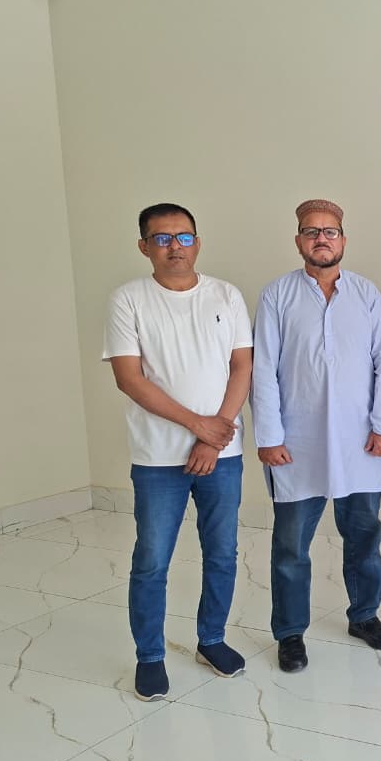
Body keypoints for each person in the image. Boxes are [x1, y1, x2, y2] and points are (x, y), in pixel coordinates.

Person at [103, 202, 253, 701]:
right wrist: (198, 427)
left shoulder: (225, 295)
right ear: (144, 246)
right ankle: (150, 656)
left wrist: (215, 435)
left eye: (184, 237)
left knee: (223, 552)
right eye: (162, 238)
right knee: (151, 560)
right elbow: (129, 378)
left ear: (197, 242)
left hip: (222, 455)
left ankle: (212, 639)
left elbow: (241, 367)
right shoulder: (128, 299)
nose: (175, 247)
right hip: (157, 458)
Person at [251, 199, 381, 673]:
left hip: (361, 442)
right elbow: (263, 369)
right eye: (311, 231)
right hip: (297, 444)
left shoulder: (365, 293)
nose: (322, 239)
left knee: (364, 535)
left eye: (330, 231)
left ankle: (364, 616)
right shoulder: (277, 295)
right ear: (298, 241)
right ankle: (290, 632)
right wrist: (269, 436)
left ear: (343, 239)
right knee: (291, 546)